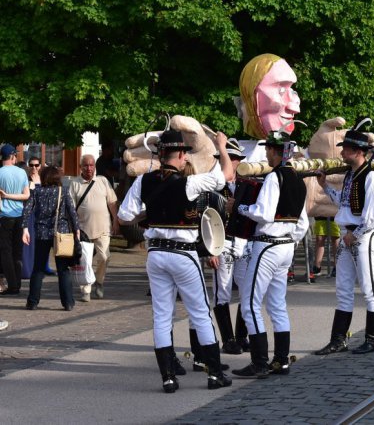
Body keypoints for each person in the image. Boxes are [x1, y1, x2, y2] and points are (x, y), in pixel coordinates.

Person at [118, 129, 234, 393]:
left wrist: (153, 214)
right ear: (180, 154)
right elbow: (225, 176)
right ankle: (215, 373)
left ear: (160, 154)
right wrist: (221, 147)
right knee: (200, 313)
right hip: (182, 252)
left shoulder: (143, 182)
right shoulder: (188, 183)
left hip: (156, 253)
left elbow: (125, 217)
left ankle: (168, 377)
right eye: (185, 155)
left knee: (161, 315)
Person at [232, 128, 309, 378]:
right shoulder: (298, 180)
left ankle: (260, 361)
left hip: (268, 244)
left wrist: (240, 206)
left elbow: (263, 213)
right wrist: (289, 239)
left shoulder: (275, 177)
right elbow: (303, 224)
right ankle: (281, 360)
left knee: (250, 303)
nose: (266, 153)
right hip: (286, 246)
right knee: (277, 304)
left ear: (276, 152)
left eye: (268, 149)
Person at [314, 120, 374, 355]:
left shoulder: (371, 178)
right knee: (343, 288)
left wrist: (355, 234)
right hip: (347, 234)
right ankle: (338, 339)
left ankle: (372, 338)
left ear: (357, 152)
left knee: (368, 287)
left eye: (345, 149)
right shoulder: (351, 176)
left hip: (361, 237)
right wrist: (325, 187)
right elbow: (344, 205)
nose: (342, 152)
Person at [205, 140, 250, 356]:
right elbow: (205, 220)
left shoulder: (245, 185)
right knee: (222, 292)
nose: (235, 164)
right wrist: (210, 250)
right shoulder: (214, 187)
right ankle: (228, 339)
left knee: (246, 290)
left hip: (242, 243)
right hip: (221, 244)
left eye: (237, 160)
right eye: (233, 160)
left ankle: (242, 336)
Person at [22, 166, 80, 311]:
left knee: (38, 269)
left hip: (41, 234)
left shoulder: (37, 192)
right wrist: (76, 230)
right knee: (63, 269)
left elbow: (27, 210)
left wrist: (25, 229)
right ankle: (68, 302)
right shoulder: (63, 191)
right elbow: (72, 213)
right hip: (61, 234)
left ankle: (33, 302)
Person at [69, 154, 120, 301]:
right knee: (85, 261)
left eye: (91, 165)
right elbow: (71, 208)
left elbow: (112, 203)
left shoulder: (102, 181)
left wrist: (116, 220)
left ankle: (99, 281)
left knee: (105, 257)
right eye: (85, 165)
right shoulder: (75, 183)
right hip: (83, 230)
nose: (89, 168)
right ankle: (86, 289)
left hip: (103, 228)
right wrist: (74, 228)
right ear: (81, 167)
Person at [0, 144, 30, 296]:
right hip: (19, 215)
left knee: (5, 252)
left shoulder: (0, 173)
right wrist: (12, 196)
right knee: (17, 252)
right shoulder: (21, 172)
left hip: (4, 216)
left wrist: (6, 196)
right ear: (12, 156)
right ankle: (17, 284)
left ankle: (12, 285)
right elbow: (26, 195)